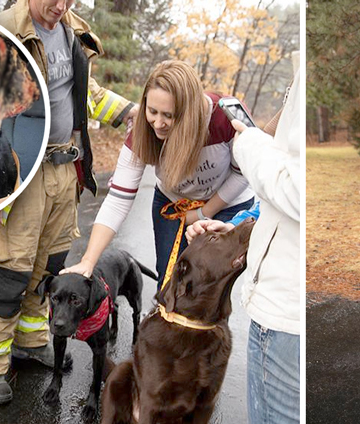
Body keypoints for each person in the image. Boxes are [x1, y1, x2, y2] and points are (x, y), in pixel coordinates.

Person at [0, 0, 137, 405]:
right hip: (17, 174)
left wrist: (128, 111)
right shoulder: (0, 30)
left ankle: (30, 340)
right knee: (10, 273)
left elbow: (84, 92)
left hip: (65, 170)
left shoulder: (73, 30)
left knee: (49, 270)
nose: (61, 6)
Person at [61, 60, 255, 287]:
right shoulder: (143, 129)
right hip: (173, 203)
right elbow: (117, 200)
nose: (158, 123)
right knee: (169, 278)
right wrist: (88, 261)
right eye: (152, 111)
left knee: (207, 283)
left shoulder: (225, 116)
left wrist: (204, 213)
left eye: (169, 115)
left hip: (227, 202)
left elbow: (245, 173)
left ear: (189, 112)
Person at [186, 69, 301, 424]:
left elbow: (295, 190)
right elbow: (272, 202)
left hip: (285, 314)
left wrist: (249, 144)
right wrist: (236, 224)